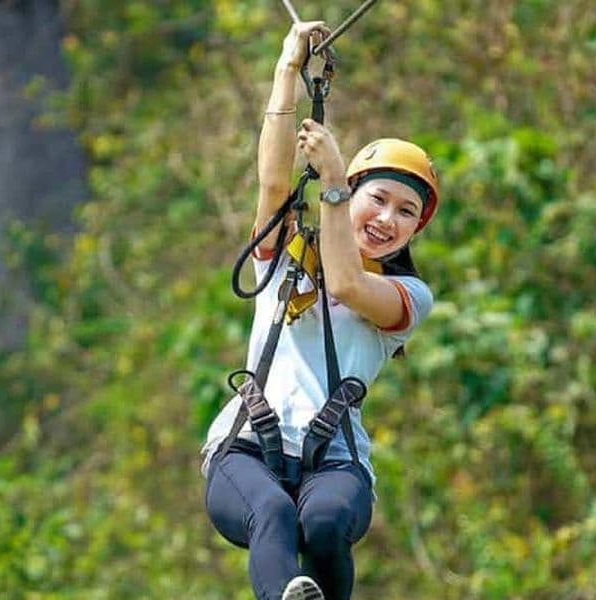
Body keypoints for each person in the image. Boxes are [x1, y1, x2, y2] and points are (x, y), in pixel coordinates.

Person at [201, 21, 439, 600]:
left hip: (335, 458)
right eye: (376, 198)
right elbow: (273, 178)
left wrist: (335, 181)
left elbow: (348, 283)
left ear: (415, 229)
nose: (387, 219)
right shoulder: (283, 255)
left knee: (326, 523)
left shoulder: (408, 296)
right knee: (274, 516)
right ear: (354, 196)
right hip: (246, 448)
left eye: (405, 212)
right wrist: (287, 72)